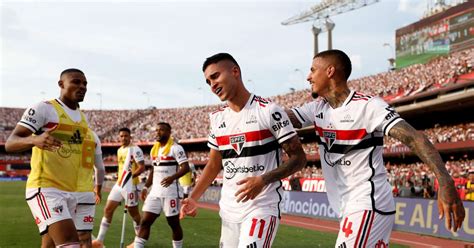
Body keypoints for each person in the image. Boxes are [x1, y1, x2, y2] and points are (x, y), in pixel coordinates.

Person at [286, 49, 465, 247]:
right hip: (349, 207)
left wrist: (446, 182)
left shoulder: (369, 106)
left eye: (312, 70)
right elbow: (278, 119)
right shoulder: (317, 108)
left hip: (368, 204)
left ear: (330, 71)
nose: (308, 76)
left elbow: (415, 139)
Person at [180, 53, 307, 247]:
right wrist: (193, 198)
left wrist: (262, 180)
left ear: (235, 72)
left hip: (262, 207)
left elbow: (298, 158)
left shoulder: (268, 111)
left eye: (215, 76)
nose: (212, 85)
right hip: (229, 210)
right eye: (208, 82)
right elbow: (214, 165)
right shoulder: (217, 119)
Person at [5, 68, 91, 247]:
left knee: (49, 244)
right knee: (70, 243)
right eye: (76, 81)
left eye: (85, 83)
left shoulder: (83, 118)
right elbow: (10, 143)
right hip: (46, 189)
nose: (82, 86)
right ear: (61, 84)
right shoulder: (44, 108)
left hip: (71, 192)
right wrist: (34, 139)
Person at [130, 122, 190, 248]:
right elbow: (153, 170)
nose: (157, 132)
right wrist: (146, 187)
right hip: (155, 192)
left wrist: (172, 178)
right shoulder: (154, 149)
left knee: (173, 223)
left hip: (170, 192)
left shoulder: (176, 148)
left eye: (161, 130)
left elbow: (185, 168)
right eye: (156, 130)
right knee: (145, 222)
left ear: (169, 132)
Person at [43, 129, 105, 248]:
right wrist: (98, 189)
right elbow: (100, 168)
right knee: (85, 238)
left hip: (61, 191)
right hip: (86, 193)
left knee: (51, 238)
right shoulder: (93, 136)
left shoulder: (59, 130)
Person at [92, 128, 145, 248]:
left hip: (131, 186)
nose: (123, 138)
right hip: (119, 184)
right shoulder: (120, 150)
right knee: (108, 209)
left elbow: (142, 167)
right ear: (119, 137)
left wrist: (131, 177)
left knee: (135, 215)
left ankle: (138, 242)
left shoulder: (135, 149)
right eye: (121, 136)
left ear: (130, 137)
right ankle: (99, 241)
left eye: (126, 136)